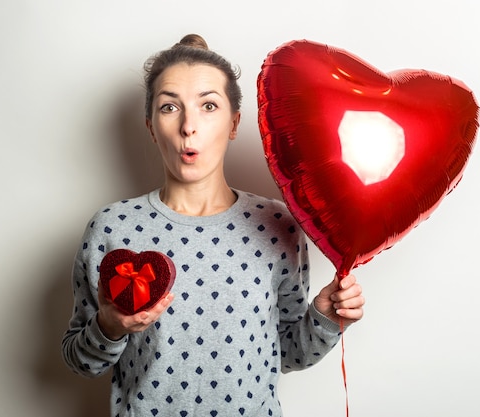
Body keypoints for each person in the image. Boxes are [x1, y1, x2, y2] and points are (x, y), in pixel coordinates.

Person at [62, 34, 365, 417]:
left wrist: (323, 318)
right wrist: (110, 325)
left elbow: (285, 354)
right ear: (151, 126)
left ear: (234, 122)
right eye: (170, 107)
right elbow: (81, 362)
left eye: (208, 105)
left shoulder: (278, 226)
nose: (189, 125)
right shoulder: (113, 228)